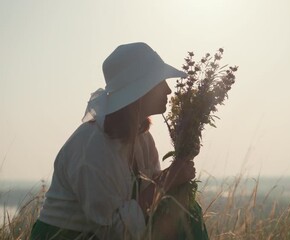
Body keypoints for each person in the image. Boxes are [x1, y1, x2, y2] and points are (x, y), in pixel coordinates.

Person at [30, 42, 196, 239]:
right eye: (160, 82)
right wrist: (168, 178)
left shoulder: (142, 137)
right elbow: (114, 231)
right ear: (140, 92)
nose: (168, 90)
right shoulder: (93, 148)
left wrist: (180, 167)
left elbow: (149, 198)